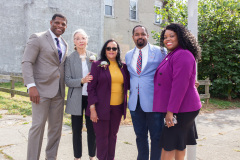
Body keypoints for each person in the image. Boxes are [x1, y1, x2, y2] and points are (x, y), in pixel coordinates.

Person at [21, 13, 68, 160]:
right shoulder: (38, 38)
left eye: (63, 24)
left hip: (59, 92)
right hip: (40, 91)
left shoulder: (64, 44)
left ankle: (51, 158)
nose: (60, 26)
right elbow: (27, 62)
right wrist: (31, 85)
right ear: (51, 22)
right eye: (57, 23)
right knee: (37, 128)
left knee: (55, 130)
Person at [153, 23, 202, 160]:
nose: (167, 39)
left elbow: (179, 86)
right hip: (180, 107)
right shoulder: (173, 54)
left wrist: (171, 112)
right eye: (165, 37)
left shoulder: (183, 54)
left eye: (171, 36)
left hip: (181, 109)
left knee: (168, 145)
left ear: (180, 37)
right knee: (179, 143)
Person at [125, 25, 166, 160]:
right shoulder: (128, 55)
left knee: (156, 136)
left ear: (147, 36)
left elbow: (170, 71)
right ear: (133, 37)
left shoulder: (160, 51)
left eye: (143, 34)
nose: (140, 36)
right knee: (140, 136)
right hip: (135, 103)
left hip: (154, 102)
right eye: (137, 34)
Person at [86, 39, 129, 160]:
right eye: (108, 48)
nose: (111, 50)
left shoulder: (123, 66)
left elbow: (128, 84)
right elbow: (91, 88)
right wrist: (92, 109)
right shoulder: (97, 65)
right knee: (102, 137)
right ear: (104, 50)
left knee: (113, 136)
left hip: (117, 107)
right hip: (100, 108)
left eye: (114, 48)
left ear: (117, 51)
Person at [65, 29, 97, 160]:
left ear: (87, 40)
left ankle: (92, 156)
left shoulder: (93, 56)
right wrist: (81, 81)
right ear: (74, 41)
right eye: (77, 38)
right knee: (76, 130)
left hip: (91, 99)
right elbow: (67, 81)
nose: (81, 41)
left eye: (83, 38)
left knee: (92, 129)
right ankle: (77, 157)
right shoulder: (69, 59)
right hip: (76, 98)